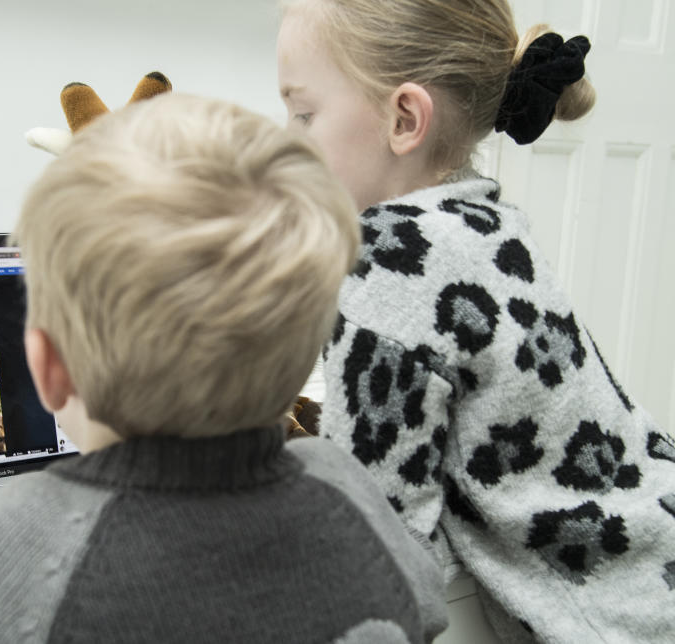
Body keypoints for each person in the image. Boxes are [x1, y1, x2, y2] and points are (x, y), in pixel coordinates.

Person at [0, 93, 447, 644]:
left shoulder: (12, 543)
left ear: (46, 369)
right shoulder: (345, 487)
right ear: (307, 354)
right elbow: (426, 606)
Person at [277, 1, 675, 642]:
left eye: (303, 113)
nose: (288, 141)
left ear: (405, 117)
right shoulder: (488, 221)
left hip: (618, 616)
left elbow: (379, 542)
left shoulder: (382, 263)